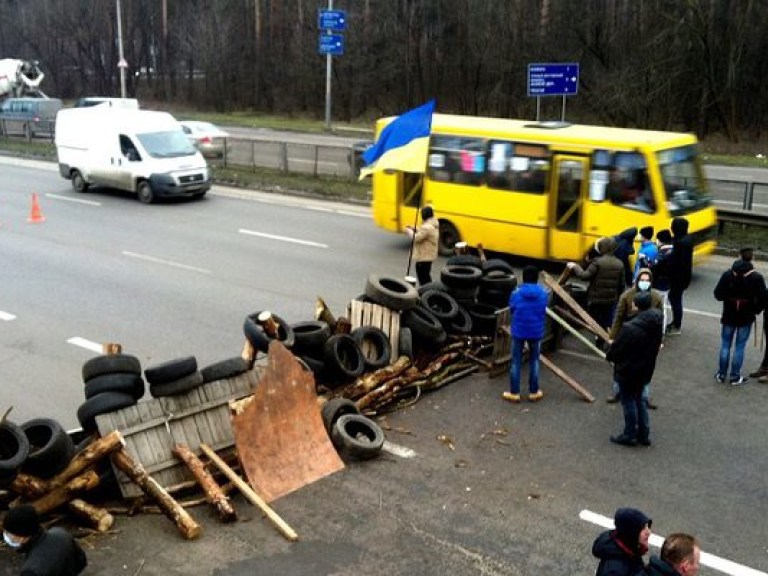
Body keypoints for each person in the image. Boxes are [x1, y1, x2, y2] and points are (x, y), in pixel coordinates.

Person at [606, 291, 663, 446]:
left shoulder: (630, 328)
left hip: (629, 369)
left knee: (628, 400)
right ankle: (643, 434)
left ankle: (629, 433)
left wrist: (610, 353)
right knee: (640, 400)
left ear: (636, 305)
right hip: (646, 368)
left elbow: (616, 350)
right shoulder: (656, 320)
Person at [606, 268, 663, 407]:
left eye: (647, 280)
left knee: (645, 367)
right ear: (637, 281)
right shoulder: (627, 296)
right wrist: (613, 336)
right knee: (621, 365)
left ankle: (644, 395)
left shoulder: (656, 297)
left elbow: (659, 320)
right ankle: (617, 391)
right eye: (642, 280)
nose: (645, 283)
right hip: (628, 336)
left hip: (647, 339)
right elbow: (618, 318)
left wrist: (660, 341)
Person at [713, 255, 766, 385]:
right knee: (740, 346)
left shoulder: (728, 274)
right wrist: (755, 310)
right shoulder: (757, 278)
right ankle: (735, 376)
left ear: (739, 257)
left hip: (729, 314)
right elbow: (763, 298)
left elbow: (718, 294)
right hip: (746, 316)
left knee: (725, 344)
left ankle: (721, 374)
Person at [567, 236, 625, 346]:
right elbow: (622, 284)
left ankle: (600, 339)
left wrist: (575, 266)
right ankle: (605, 339)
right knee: (607, 320)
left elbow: (584, 276)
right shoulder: (620, 263)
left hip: (596, 298)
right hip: (611, 299)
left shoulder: (597, 262)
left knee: (595, 321)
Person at [503, 265, 548, 404]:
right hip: (536, 331)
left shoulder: (516, 293)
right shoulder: (543, 293)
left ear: (523, 277)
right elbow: (543, 309)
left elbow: (512, 309)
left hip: (519, 331)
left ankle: (514, 393)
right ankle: (533, 392)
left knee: (516, 361)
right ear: (536, 278)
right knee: (534, 360)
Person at [2, 504, 87, 575]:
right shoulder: (60, 533)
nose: (5, 535)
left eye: (8, 533)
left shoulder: (31, 571)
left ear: (22, 537)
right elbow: (81, 561)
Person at [592, 507, 652, 575]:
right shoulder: (614, 571)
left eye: (648, 527)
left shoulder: (629, 549)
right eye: (643, 528)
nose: (649, 532)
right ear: (631, 533)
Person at [666, 217, 693, 335]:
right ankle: (676, 323)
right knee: (675, 298)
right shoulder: (686, 240)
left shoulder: (680, 244)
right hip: (683, 277)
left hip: (678, 278)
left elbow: (674, 261)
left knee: (675, 299)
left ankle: (676, 325)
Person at [406, 205, 439, 286]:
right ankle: (429, 292)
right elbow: (424, 232)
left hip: (424, 257)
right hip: (429, 256)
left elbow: (416, 238)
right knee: (426, 276)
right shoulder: (433, 224)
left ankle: (426, 293)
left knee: (423, 278)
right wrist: (415, 229)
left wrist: (409, 231)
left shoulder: (427, 227)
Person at [651, 230, 674, 330]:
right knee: (663, 305)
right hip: (668, 282)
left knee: (658, 306)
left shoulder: (662, 253)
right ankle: (662, 329)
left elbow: (654, 265)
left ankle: (659, 329)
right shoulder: (675, 250)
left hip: (659, 282)